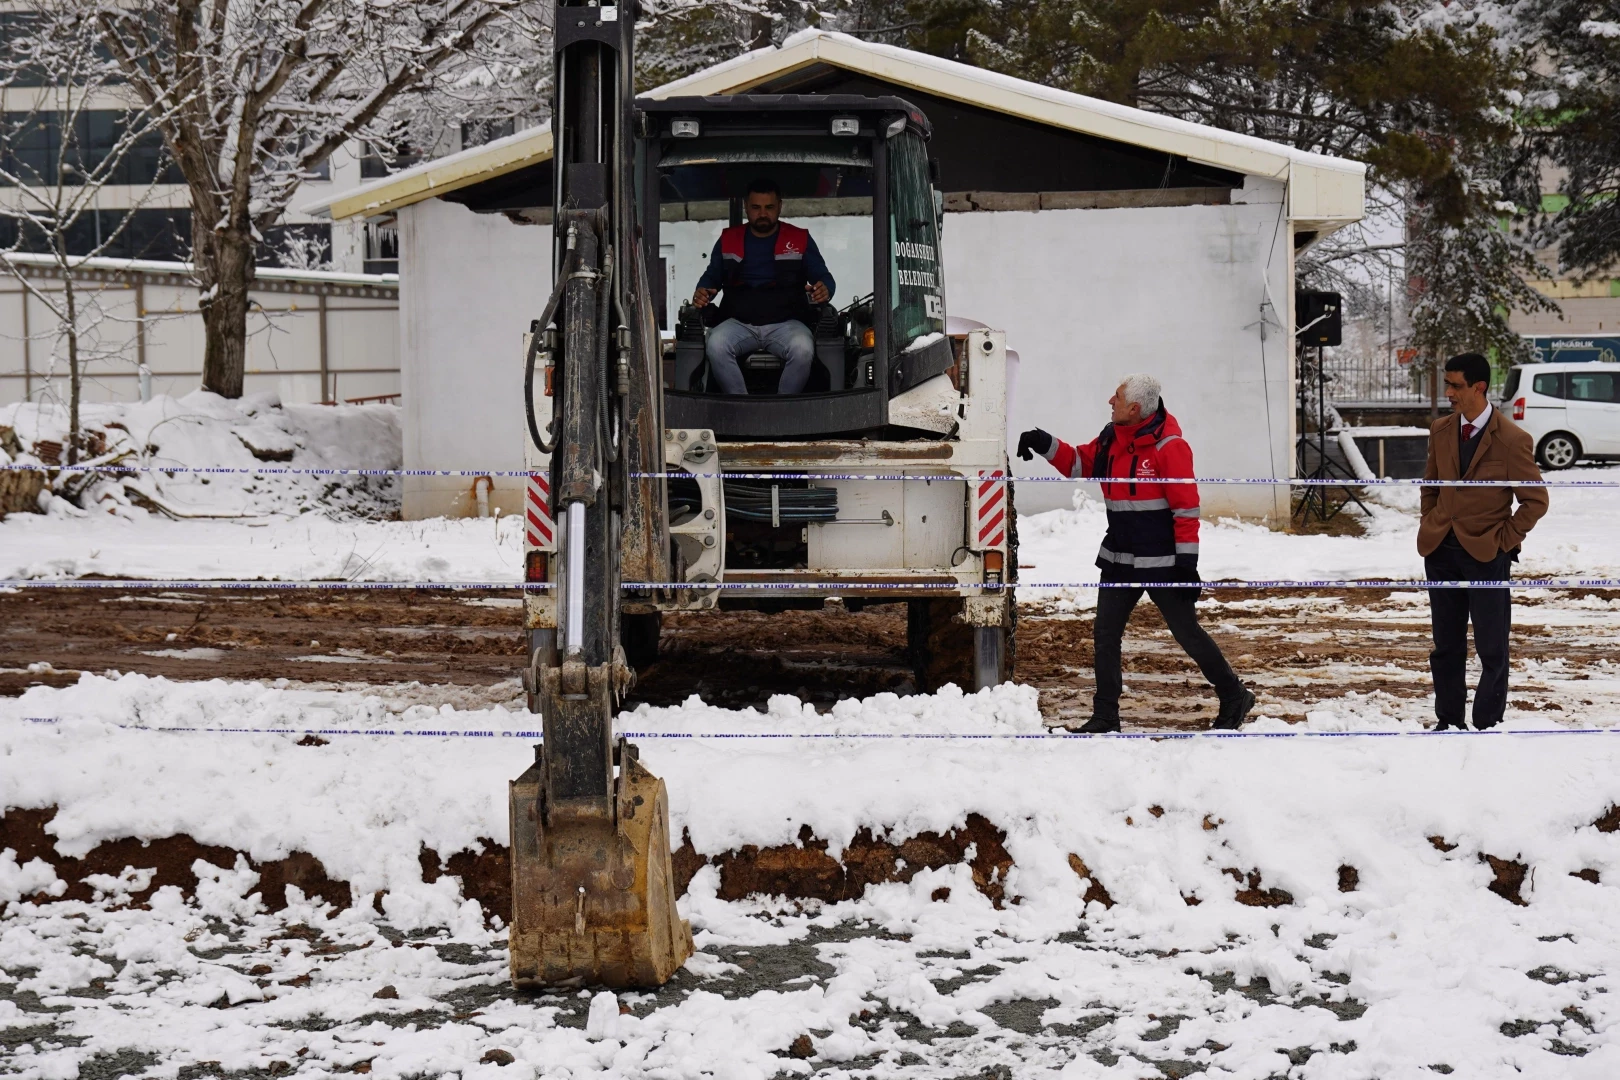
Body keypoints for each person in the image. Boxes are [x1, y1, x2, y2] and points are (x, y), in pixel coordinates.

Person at [1018, 374, 1255, 733]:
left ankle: (1234, 694)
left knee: (1187, 633)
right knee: (1105, 634)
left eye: (1116, 398)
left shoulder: (1170, 447)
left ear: (1135, 407)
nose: (1109, 402)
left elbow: (1186, 511)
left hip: (1162, 565)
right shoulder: (1112, 439)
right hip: (1119, 558)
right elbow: (1079, 463)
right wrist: (1043, 442)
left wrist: (1187, 567)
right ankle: (1105, 715)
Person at [1419, 352, 1549, 730]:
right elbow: (1431, 484)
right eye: (1447, 384)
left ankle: (1487, 723)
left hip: (1486, 554)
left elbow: (1535, 500)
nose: (1449, 393)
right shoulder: (1440, 430)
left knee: (1492, 647)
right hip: (1440, 550)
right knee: (1446, 646)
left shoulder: (1512, 440)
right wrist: (1431, 519)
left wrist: (1503, 541)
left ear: (1479, 387)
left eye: (1456, 385)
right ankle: (1448, 720)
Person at [691, 177, 836, 395]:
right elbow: (711, 277)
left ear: (779, 206)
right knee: (716, 345)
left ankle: (783, 410)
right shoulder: (728, 239)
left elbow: (824, 277)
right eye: (756, 207)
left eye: (769, 207)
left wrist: (825, 288)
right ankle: (742, 407)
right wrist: (702, 291)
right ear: (746, 208)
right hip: (739, 323)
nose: (762, 214)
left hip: (787, 323)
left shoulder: (799, 238)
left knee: (803, 349)